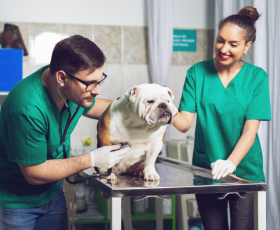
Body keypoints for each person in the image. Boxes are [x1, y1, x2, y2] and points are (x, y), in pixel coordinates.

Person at [0, 35, 130, 230]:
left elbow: (105, 109)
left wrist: (137, 108)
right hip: (18, 203)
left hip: (53, 194)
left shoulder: (72, 92)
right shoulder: (26, 107)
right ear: (62, 77)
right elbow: (34, 173)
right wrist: (91, 159)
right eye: (90, 83)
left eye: (99, 81)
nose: (97, 91)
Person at [172, 6, 271, 230]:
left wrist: (230, 163)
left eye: (233, 44)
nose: (224, 48)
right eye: (220, 40)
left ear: (247, 46)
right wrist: (164, 110)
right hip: (207, 170)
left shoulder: (256, 78)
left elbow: (250, 130)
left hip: (244, 173)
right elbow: (184, 123)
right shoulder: (196, 73)